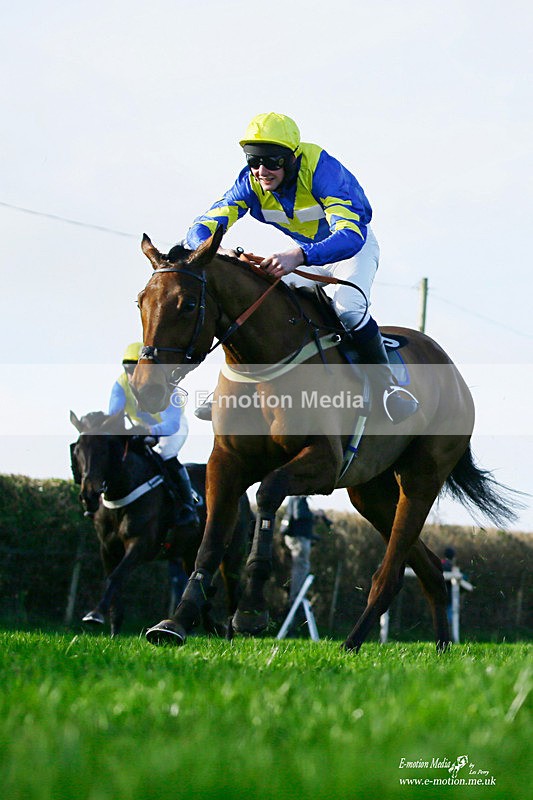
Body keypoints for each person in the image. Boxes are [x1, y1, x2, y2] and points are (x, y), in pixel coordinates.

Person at [184, 111, 418, 425]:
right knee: (256, 301)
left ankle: (387, 388)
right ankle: (233, 387)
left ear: (293, 158)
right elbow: (199, 229)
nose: (262, 171)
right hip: (304, 256)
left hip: (350, 251)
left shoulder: (323, 171)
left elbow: (350, 236)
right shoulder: (249, 182)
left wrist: (299, 255)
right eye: (254, 161)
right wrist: (220, 249)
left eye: (272, 162)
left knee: (348, 309)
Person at [109, 342, 199, 526]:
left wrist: (152, 431)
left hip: (171, 428)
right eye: (128, 368)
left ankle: (188, 505)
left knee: (165, 454)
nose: (133, 374)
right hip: (142, 427)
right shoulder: (120, 385)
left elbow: (171, 424)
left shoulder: (167, 385)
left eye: (137, 368)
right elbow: (113, 418)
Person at [280, 496, 331, 632]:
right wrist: (317, 514)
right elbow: (299, 515)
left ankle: (297, 596)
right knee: (302, 567)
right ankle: (296, 597)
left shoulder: (298, 497)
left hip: (300, 537)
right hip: (299, 539)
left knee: (302, 566)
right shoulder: (299, 496)